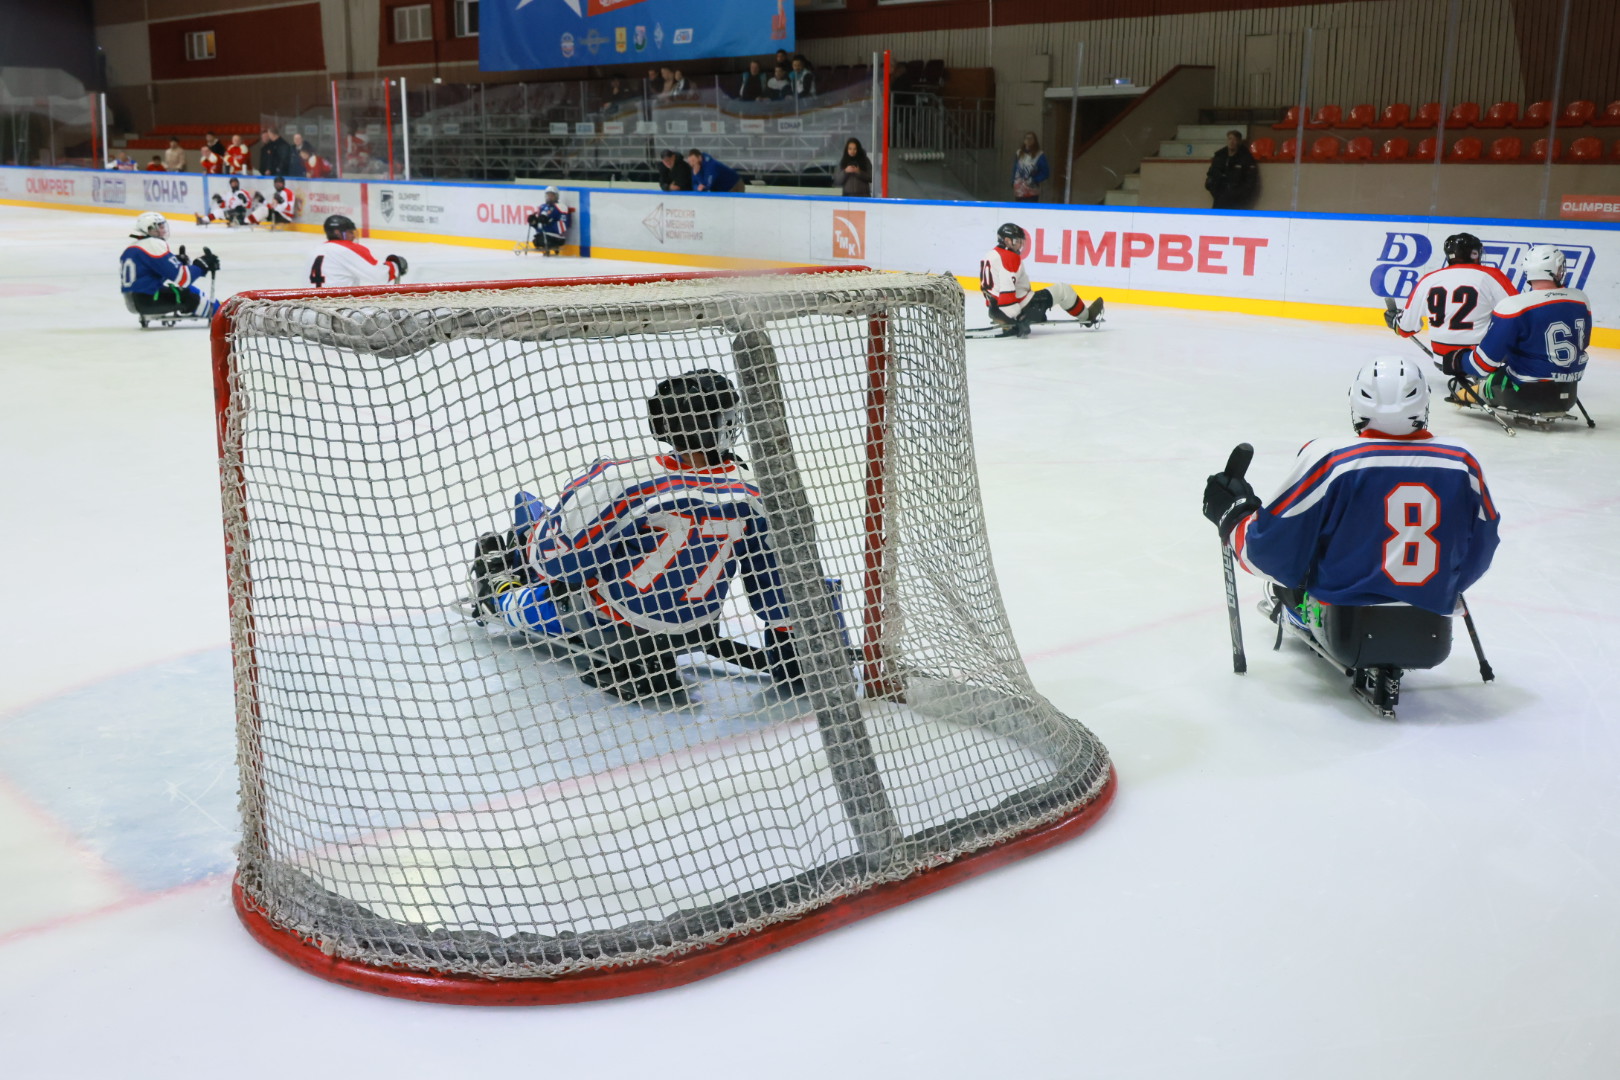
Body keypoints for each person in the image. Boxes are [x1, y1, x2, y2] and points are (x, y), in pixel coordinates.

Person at [467, 369, 801, 703]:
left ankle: (498, 592)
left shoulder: (625, 479)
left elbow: (559, 565)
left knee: (546, 564)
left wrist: (539, 540)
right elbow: (777, 593)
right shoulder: (757, 491)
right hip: (698, 626)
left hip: (617, 626)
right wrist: (793, 652)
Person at [1203, 354, 1499, 625]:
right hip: (1433, 625)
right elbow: (1482, 547)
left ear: (1357, 403)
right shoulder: (1462, 461)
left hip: (1344, 625)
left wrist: (1234, 514)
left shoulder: (1331, 458)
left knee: (1294, 571)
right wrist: (1445, 586)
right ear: (1423, 403)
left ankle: (1306, 614)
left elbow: (1268, 553)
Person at [1445, 244, 1591, 413]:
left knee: (1488, 378)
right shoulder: (1581, 299)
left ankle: (1465, 394)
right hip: (1569, 393)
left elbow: (1482, 364)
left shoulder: (1515, 305)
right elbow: (1583, 343)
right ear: (1556, 270)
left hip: (1524, 395)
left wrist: (1456, 360)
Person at [1387, 232, 1517, 364]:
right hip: (1481, 360)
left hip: (1442, 359)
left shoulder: (1428, 279)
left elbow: (1405, 328)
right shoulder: (1491, 275)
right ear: (1474, 254)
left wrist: (1395, 321)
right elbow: (1521, 313)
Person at [979, 222, 1102, 336]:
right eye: (1017, 241)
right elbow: (1006, 298)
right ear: (1007, 241)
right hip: (1018, 308)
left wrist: (997, 311)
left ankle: (1008, 321)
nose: (1020, 245)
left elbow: (990, 290)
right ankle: (1087, 317)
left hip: (995, 309)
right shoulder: (1009, 257)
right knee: (1063, 290)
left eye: (1021, 241)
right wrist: (1020, 318)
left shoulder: (990, 254)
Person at [119, 211, 220, 319]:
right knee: (189, 297)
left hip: (136, 301)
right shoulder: (152, 243)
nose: (163, 230)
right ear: (149, 229)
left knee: (186, 290)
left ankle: (220, 307)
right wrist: (201, 265)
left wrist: (176, 261)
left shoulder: (133, 247)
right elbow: (184, 278)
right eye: (160, 227)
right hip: (149, 300)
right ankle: (221, 314)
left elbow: (152, 273)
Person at [308, 214, 407, 288]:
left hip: (311, 306)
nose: (353, 235)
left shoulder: (315, 250)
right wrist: (395, 266)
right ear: (338, 233)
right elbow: (379, 275)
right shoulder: (348, 248)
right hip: (338, 306)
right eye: (350, 232)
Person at [1204, 131, 1258, 210]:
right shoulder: (1220, 156)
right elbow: (1211, 174)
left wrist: (1239, 194)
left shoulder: (1246, 158)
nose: (1231, 142)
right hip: (1219, 198)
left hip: (1237, 201)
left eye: (1234, 139)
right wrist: (1214, 189)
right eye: (1230, 139)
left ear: (1239, 142)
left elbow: (1250, 181)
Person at [526, 186, 570, 256]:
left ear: (556, 196)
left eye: (552, 195)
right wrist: (534, 222)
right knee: (537, 240)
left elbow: (563, 226)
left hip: (556, 238)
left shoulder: (561, 206)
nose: (549, 197)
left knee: (543, 239)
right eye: (548, 195)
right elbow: (539, 226)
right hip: (543, 236)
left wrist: (548, 222)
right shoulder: (542, 207)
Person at [1011, 132, 1048, 202]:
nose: (1028, 140)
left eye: (1031, 138)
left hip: (1031, 190)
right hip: (1019, 189)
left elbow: (1045, 173)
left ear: (1035, 141)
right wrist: (1013, 181)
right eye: (1027, 138)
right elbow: (1015, 169)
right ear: (1024, 140)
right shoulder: (1019, 153)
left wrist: (1035, 180)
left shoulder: (1039, 155)